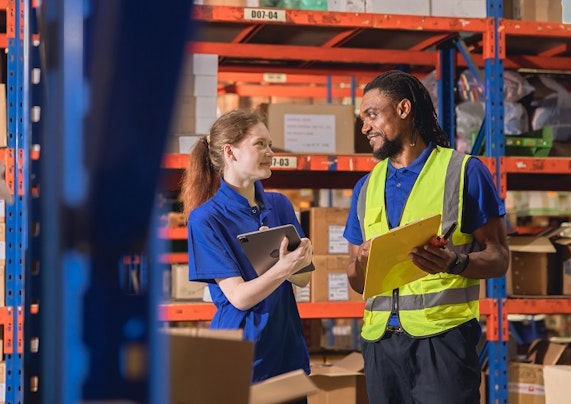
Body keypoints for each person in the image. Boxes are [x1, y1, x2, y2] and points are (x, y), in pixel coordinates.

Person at [343, 70, 509, 404]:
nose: (365, 128)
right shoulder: (365, 187)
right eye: (363, 119)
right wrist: (361, 262)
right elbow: (356, 280)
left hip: (443, 342)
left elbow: (499, 257)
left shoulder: (463, 172)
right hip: (380, 344)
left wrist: (455, 262)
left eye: (372, 115)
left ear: (403, 110)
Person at [181, 109, 313, 385]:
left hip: (286, 350)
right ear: (231, 153)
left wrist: (301, 260)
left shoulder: (279, 205)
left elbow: (303, 280)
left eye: (270, 144)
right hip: (241, 353)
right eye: (260, 144)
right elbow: (239, 297)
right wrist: (283, 265)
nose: (270, 152)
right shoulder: (206, 219)